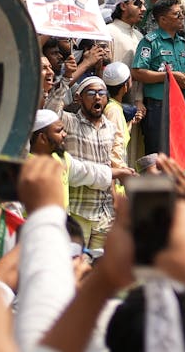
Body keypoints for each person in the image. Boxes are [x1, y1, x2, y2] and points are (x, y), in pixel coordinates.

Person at [60, 76, 130, 248]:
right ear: (78, 98)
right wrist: (68, 77)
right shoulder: (69, 122)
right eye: (91, 93)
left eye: (101, 93)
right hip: (78, 213)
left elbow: (110, 166)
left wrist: (115, 200)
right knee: (76, 267)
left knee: (100, 269)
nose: (97, 97)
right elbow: (51, 111)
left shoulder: (111, 128)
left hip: (105, 215)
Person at [130, 0, 185, 155]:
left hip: (181, 106)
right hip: (159, 106)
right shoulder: (150, 42)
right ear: (163, 19)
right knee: (158, 155)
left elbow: (183, 76)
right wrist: (169, 77)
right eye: (177, 14)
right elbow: (137, 72)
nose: (182, 17)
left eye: (182, 13)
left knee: (179, 154)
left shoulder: (182, 43)